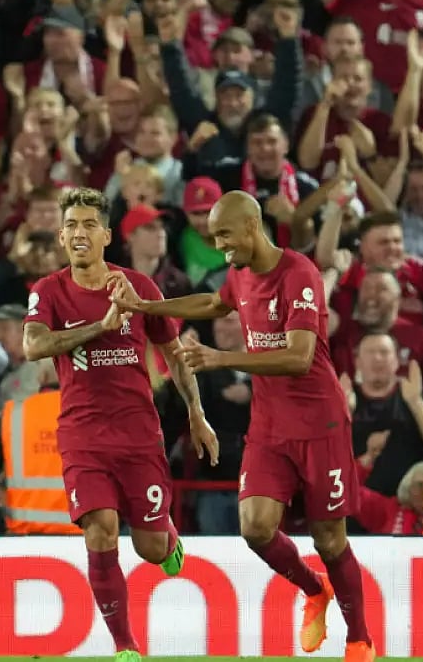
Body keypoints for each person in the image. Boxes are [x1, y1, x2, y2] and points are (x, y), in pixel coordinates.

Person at [110, 190, 374, 662]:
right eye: (215, 239)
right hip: (270, 426)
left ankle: (359, 640)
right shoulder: (240, 273)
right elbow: (215, 303)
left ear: (252, 226)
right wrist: (148, 308)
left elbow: (298, 357)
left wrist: (219, 358)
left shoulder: (299, 274)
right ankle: (316, 591)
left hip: (320, 423)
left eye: (225, 236)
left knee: (330, 538)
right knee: (254, 528)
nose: (221, 247)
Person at [21, 187, 218, 661]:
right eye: (71, 226)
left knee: (150, 548)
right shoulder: (47, 291)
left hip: (137, 434)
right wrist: (99, 327)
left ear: (108, 235)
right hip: (82, 435)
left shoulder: (140, 288)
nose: (79, 233)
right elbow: (33, 346)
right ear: (63, 239)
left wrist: (197, 412)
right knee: (101, 529)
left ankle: (166, 537)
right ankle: (125, 646)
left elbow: (173, 353)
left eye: (89, 224)